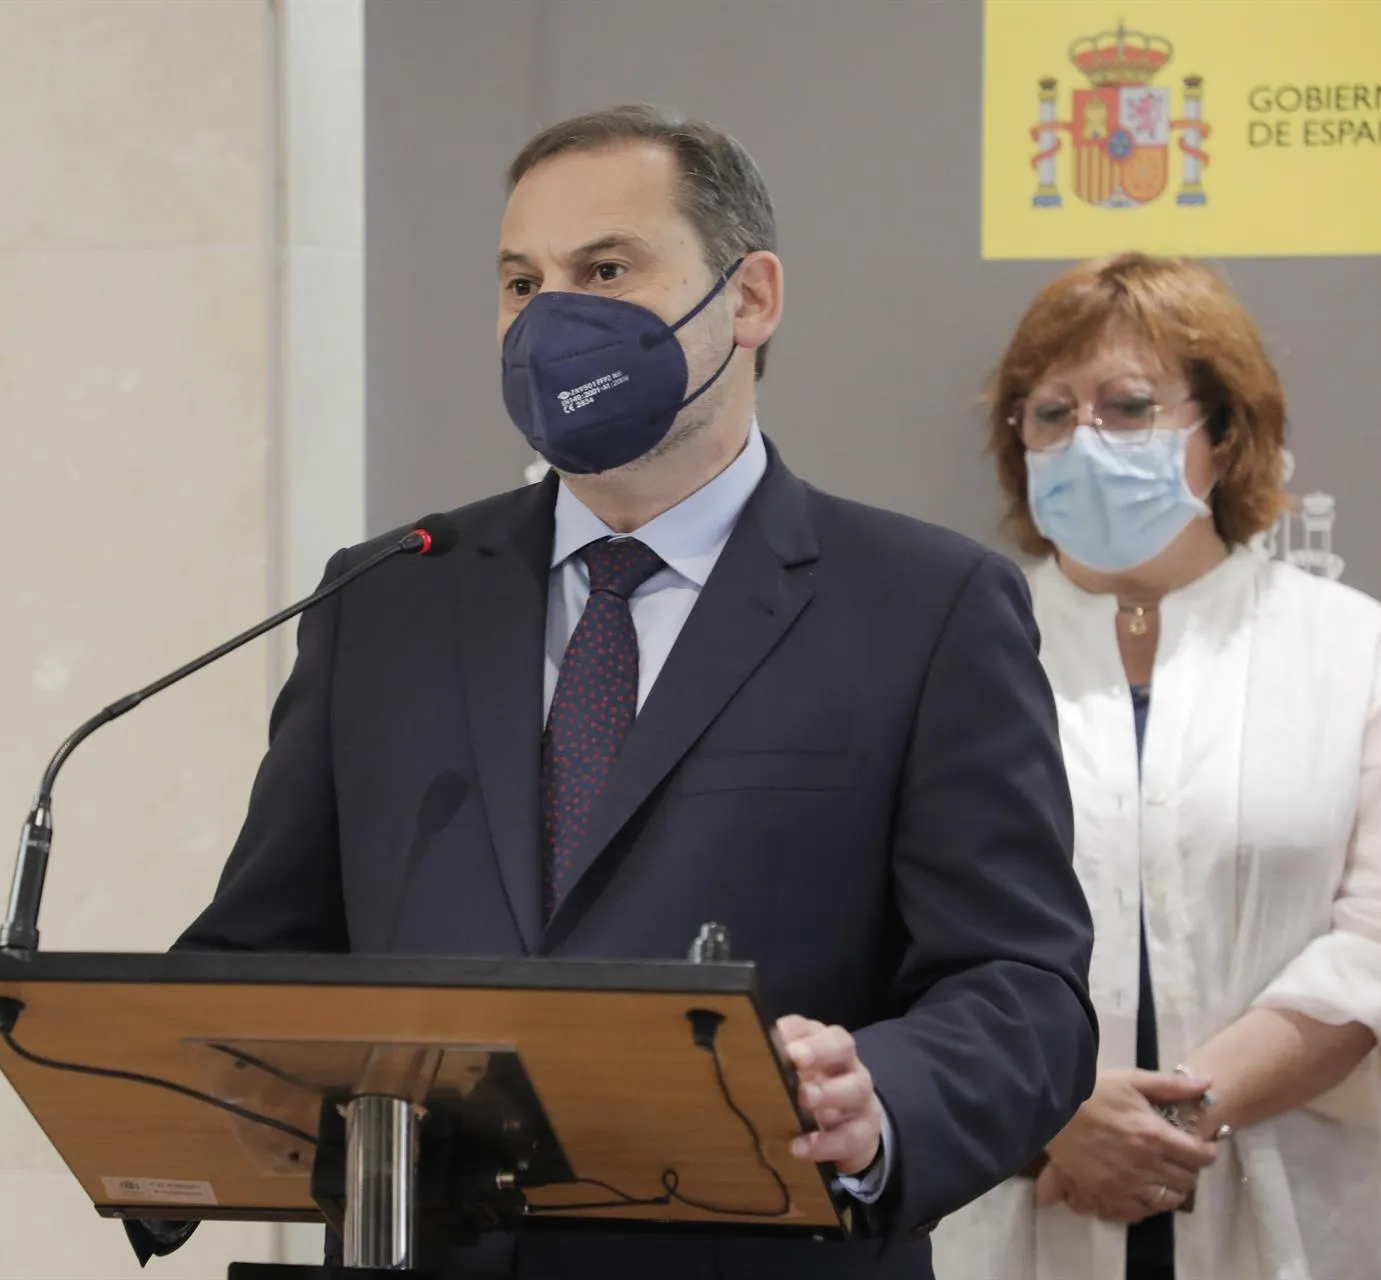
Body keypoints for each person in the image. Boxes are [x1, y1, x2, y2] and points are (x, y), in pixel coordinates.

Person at [152, 105, 1097, 1280]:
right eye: (519, 281)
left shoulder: (927, 606)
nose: (550, 319)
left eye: (604, 269)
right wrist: (144, 1088)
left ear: (750, 299)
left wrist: (882, 1101)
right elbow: (262, 948)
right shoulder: (389, 598)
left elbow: (1020, 988)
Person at [931, 252, 1381, 1280]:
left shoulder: (1350, 649)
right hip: (1015, 1201)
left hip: (1279, 1209)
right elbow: (897, 939)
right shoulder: (946, 647)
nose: (1085, 440)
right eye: (1048, 414)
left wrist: (1171, 1119)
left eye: (1128, 407)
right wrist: (1060, 1119)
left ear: (1222, 432)